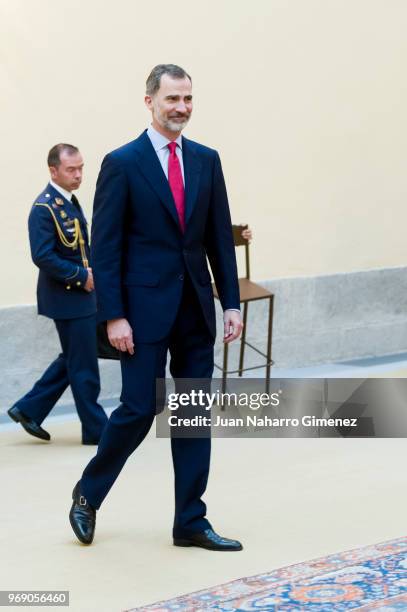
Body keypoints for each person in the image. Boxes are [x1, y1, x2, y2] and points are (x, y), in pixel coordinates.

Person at [69, 64, 244, 550]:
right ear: (149, 101)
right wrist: (114, 314)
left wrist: (229, 302)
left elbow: (217, 240)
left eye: (188, 99)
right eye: (173, 99)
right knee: (139, 408)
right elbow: (105, 249)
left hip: (193, 308)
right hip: (140, 313)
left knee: (192, 414)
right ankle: (88, 492)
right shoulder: (122, 163)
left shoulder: (207, 161)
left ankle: (190, 520)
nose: (182, 108)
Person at [8, 145, 108, 444]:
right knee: (84, 365)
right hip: (68, 297)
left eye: (80, 168)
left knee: (75, 359)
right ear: (53, 171)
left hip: (82, 296)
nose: (78, 175)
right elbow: (42, 256)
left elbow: (80, 247)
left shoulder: (68, 201)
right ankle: (97, 431)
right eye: (71, 170)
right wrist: (81, 277)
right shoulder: (44, 207)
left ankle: (28, 409)